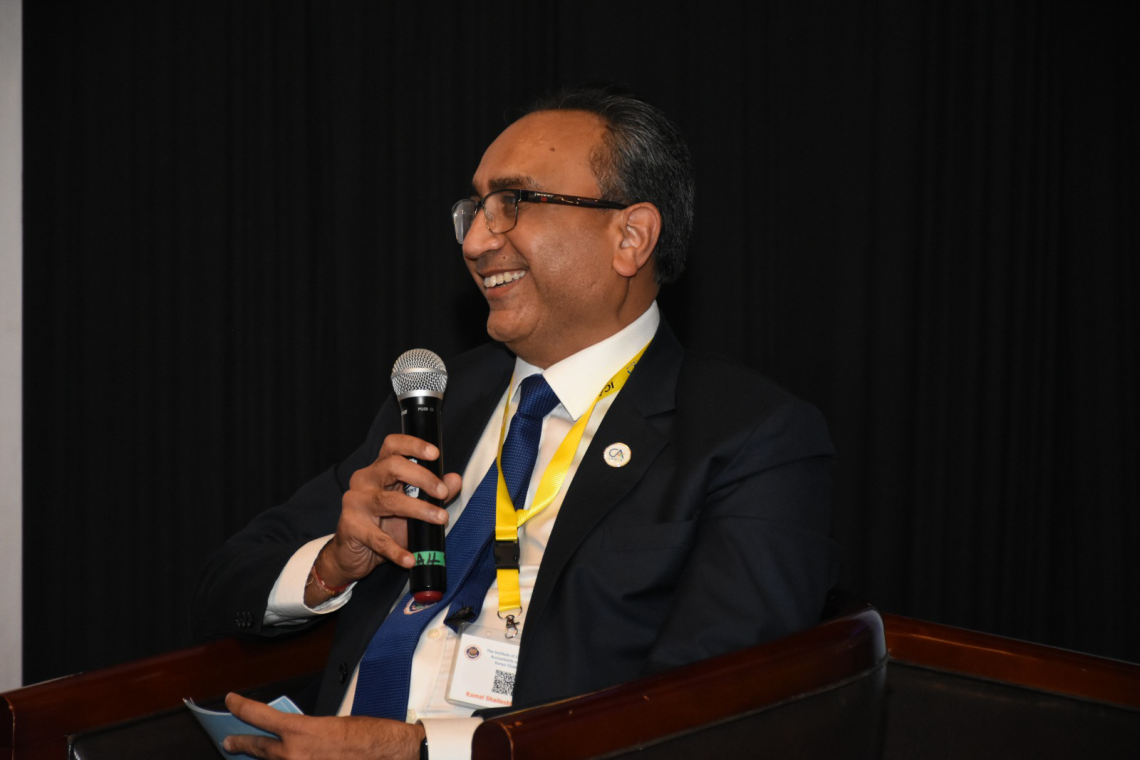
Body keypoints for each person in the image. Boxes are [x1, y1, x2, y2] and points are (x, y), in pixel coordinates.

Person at [192, 85, 839, 760]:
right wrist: (332, 565)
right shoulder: (439, 399)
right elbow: (224, 583)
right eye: (474, 209)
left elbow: (710, 717)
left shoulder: (753, 440)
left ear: (630, 237)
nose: (475, 242)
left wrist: (419, 751)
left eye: (512, 204)